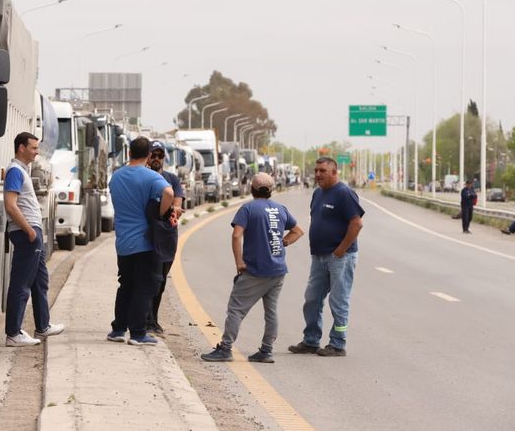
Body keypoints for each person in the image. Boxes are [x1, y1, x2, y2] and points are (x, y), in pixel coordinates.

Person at [201, 173, 304, 363]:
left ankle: (225, 348)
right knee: (271, 312)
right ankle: (266, 350)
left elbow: (236, 235)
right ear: (271, 190)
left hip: (256, 270)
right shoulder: (281, 209)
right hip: (278, 270)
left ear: (252, 189)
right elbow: (298, 231)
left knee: (236, 309)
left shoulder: (248, 208)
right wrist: (283, 243)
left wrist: (239, 262)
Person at [289, 157, 364, 357]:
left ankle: (338, 344)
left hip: (341, 257)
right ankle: (311, 340)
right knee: (312, 299)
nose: (318, 174)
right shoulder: (317, 193)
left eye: (322, 170)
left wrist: (341, 249)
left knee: (339, 302)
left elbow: (356, 223)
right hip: (319, 256)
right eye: (316, 170)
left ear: (334, 172)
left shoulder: (344, 194)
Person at [107, 137, 174, 346]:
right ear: (148, 156)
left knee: (125, 285)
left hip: (123, 242)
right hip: (145, 243)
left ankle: (118, 329)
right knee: (145, 287)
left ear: (129, 153)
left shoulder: (115, 177)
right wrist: (162, 213)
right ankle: (137, 333)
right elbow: (169, 193)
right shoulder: (151, 177)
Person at [3, 132, 65, 347]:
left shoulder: (22, 170)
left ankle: (43, 325)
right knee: (22, 283)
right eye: (33, 148)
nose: (37, 152)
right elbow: (10, 205)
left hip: (32, 231)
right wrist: (29, 231)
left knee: (40, 281)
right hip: (26, 233)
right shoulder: (15, 171)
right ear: (21, 148)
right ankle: (13, 333)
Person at [146, 140, 185, 334]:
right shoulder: (143, 178)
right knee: (148, 278)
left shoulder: (172, 179)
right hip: (147, 234)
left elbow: (177, 206)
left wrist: (174, 209)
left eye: (160, 156)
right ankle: (146, 319)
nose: (156, 159)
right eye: (153, 155)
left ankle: (154, 317)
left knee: (161, 280)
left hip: (167, 236)